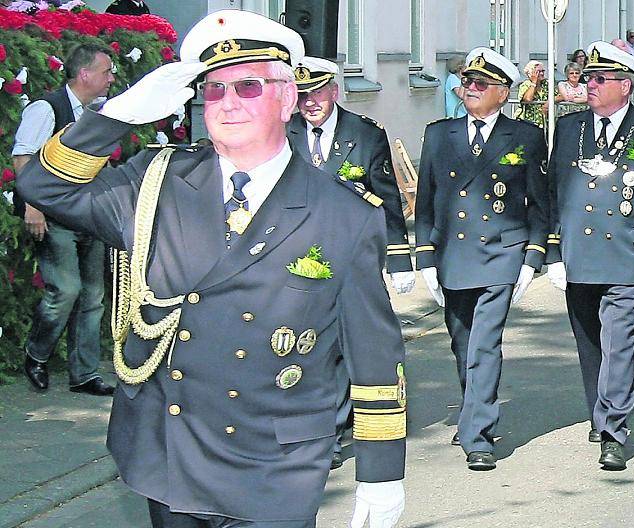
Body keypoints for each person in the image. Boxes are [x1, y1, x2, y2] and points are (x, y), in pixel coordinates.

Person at [17, 10, 407, 526]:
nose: (227, 103)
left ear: (287, 97)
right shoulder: (158, 183)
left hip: (276, 466)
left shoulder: (344, 214)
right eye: (214, 89)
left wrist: (381, 474)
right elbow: (44, 187)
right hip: (171, 453)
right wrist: (117, 116)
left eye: (248, 86)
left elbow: (375, 353)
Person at [545, 41, 634, 471]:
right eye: (589, 77)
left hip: (628, 254)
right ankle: (598, 410)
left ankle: (613, 430)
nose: (591, 85)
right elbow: (555, 195)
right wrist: (553, 252)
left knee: (618, 343)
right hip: (579, 254)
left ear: (626, 85)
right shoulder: (570, 130)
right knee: (589, 343)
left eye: (600, 79)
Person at [414, 47, 548, 471]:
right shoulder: (440, 134)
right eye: (467, 82)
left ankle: (478, 434)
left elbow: (538, 202)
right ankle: (474, 407)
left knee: (485, 343)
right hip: (453, 252)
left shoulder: (524, 136)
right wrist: (425, 257)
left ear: (503, 93)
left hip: (501, 252)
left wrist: (533, 255)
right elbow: (426, 201)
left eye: (480, 84)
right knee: (461, 340)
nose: (470, 89)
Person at [287, 56, 416, 470]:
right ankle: (310, 425)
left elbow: (386, 197)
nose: (310, 103)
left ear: (334, 91)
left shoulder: (364, 134)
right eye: (302, 95)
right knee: (304, 345)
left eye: (317, 93)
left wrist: (399, 259)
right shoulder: (282, 132)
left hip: (349, 258)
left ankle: (335, 427)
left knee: (343, 345)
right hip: (293, 259)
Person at [13, 43, 116, 396]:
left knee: (93, 297)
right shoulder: (46, 108)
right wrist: (33, 207)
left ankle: (84, 375)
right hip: (55, 215)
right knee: (66, 290)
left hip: (90, 215)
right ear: (85, 74)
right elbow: (23, 158)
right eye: (107, 71)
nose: (111, 78)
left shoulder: (97, 111)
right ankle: (36, 353)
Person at [515, 60, 550, 128]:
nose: (542, 73)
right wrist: (534, 82)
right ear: (530, 73)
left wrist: (548, 103)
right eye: (538, 71)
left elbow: (560, 95)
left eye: (543, 71)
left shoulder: (546, 84)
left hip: (543, 122)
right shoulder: (526, 84)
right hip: (527, 121)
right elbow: (528, 99)